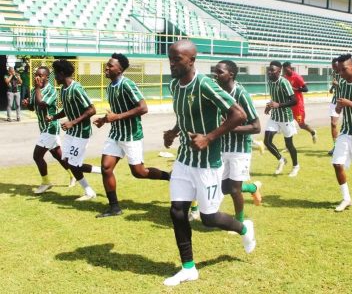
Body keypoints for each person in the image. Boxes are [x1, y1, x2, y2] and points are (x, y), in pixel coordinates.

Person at [163, 40, 256, 287]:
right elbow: (183, 115)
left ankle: (244, 229)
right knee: (177, 211)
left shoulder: (205, 84)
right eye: (170, 58)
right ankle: (188, 268)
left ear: (192, 60)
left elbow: (239, 114)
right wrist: (173, 132)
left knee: (209, 218)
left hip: (208, 164)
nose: (172, 63)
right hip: (184, 160)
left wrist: (210, 137)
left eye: (177, 59)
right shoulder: (174, 85)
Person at [93, 53, 170, 218]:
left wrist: (117, 117)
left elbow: (143, 108)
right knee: (106, 168)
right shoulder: (110, 86)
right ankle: (114, 207)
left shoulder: (127, 84)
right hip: (115, 134)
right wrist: (105, 120)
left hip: (131, 135)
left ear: (120, 69)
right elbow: (117, 112)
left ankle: (170, 176)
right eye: (107, 65)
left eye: (110, 66)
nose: (106, 68)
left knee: (139, 172)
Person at [214, 60, 262, 225]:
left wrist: (229, 128)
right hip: (222, 147)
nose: (215, 74)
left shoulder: (241, 94)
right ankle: (252, 188)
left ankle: (239, 222)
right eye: (215, 71)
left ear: (231, 74)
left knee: (234, 189)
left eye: (219, 72)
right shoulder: (218, 93)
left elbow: (256, 127)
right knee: (223, 188)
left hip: (239, 149)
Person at [47, 59, 100, 201]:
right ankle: (101, 172)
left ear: (62, 73)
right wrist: (54, 117)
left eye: (56, 74)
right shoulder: (63, 89)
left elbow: (92, 109)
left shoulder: (76, 88)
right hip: (71, 133)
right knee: (68, 161)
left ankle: (90, 190)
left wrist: (73, 122)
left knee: (73, 163)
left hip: (82, 133)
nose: (54, 77)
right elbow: (67, 109)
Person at [22, 66, 72, 194]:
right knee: (58, 155)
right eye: (36, 74)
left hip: (51, 127)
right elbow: (34, 107)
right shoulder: (34, 90)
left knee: (37, 156)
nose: (37, 77)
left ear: (46, 77)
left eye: (40, 75)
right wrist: (27, 105)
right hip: (43, 127)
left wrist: (38, 88)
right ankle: (74, 175)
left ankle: (46, 182)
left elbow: (42, 103)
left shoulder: (51, 90)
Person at [331, 54, 352, 212]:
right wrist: (338, 108)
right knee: (337, 163)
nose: (341, 73)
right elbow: (339, 104)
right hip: (346, 131)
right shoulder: (341, 83)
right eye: (339, 70)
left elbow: (350, 103)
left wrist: (349, 103)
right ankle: (346, 198)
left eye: (344, 69)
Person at [264, 61, 299, 177]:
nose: (269, 72)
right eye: (269, 70)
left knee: (289, 145)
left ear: (279, 71)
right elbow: (274, 98)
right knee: (267, 141)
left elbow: (294, 101)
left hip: (285, 118)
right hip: (274, 117)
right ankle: (281, 159)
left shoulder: (284, 82)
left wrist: (278, 105)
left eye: (272, 70)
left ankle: (296, 166)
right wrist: (269, 107)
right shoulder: (269, 81)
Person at [282, 62, 317, 143]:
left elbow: (306, 89)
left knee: (301, 124)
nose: (285, 72)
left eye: (286, 69)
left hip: (298, 106)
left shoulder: (297, 77)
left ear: (290, 68)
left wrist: (296, 89)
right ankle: (289, 145)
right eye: (284, 70)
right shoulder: (285, 77)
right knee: (287, 123)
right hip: (290, 105)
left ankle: (313, 132)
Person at [328, 58, 341, 156]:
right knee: (333, 124)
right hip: (335, 100)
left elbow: (349, 85)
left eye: (335, 66)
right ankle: (336, 146)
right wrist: (332, 87)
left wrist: (338, 85)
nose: (334, 68)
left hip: (348, 100)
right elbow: (335, 82)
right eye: (333, 66)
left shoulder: (344, 72)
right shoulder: (334, 72)